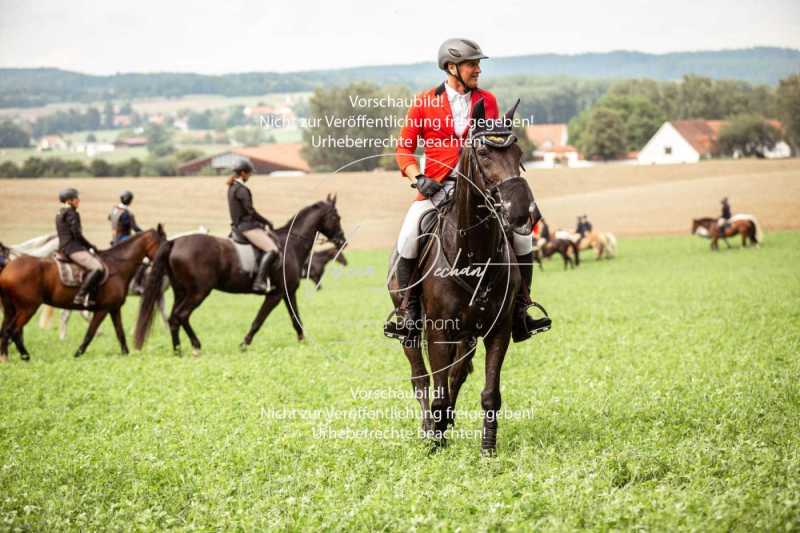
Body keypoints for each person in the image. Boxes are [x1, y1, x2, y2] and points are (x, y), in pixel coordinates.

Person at [388, 37, 550, 342]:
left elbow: (491, 145)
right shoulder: (424, 102)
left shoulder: (487, 100)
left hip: (481, 192)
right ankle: (408, 312)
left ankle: (521, 309)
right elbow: (404, 150)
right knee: (408, 235)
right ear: (452, 67)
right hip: (437, 188)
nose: (478, 70)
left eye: (478, 64)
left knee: (523, 235)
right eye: (472, 64)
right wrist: (417, 176)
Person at [227, 158, 279, 292]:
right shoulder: (242, 190)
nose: (250, 176)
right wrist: (266, 222)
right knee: (272, 249)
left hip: (238, 226)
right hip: (246, 227)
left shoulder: (232, 187)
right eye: (249, 173)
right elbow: (250, 211)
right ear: (243, 173)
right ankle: (259, 282)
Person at [55, 188, 105, 307]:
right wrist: (90, 246)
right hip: (72, 248)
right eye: (76, 198)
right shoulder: (71, 213)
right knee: (97, 268)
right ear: (69, 201)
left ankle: (92, 299)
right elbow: (77, 234)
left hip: (64, 247)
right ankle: (80, 295)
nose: (78, 200)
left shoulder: (60, 212)